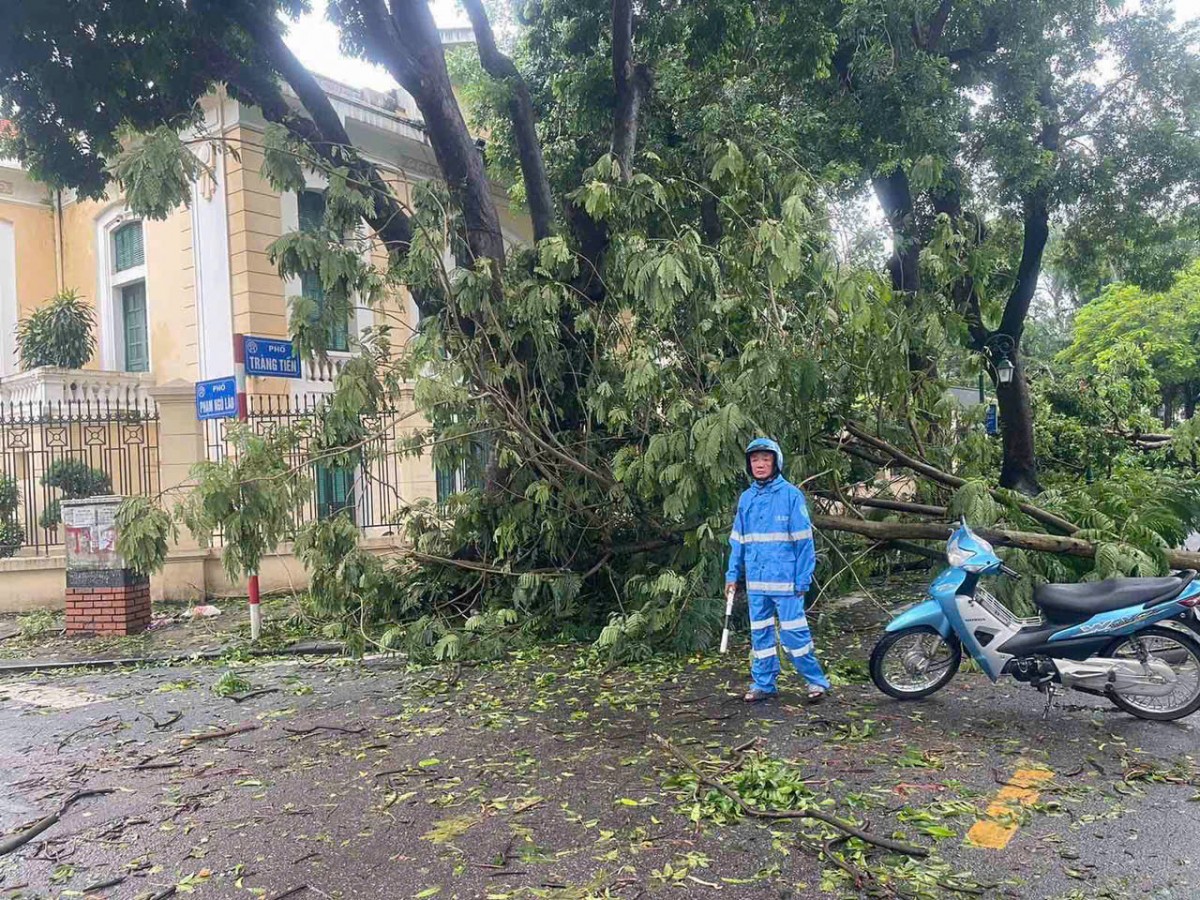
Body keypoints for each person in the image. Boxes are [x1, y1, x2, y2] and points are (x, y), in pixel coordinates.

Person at [725, 437, 830, 702]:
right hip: (757, 585)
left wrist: (802, 580)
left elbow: (804, 543)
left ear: (776, 462)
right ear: (749, 465)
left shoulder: (791, 496)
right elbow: (737, 542)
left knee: (796, 636)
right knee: (760, 637)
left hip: (787, 585)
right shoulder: (746, 499)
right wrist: (731, 576)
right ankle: (764, 684)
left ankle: (816, 682)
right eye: (755, 460)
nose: (760, 464)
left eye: (765, 459)